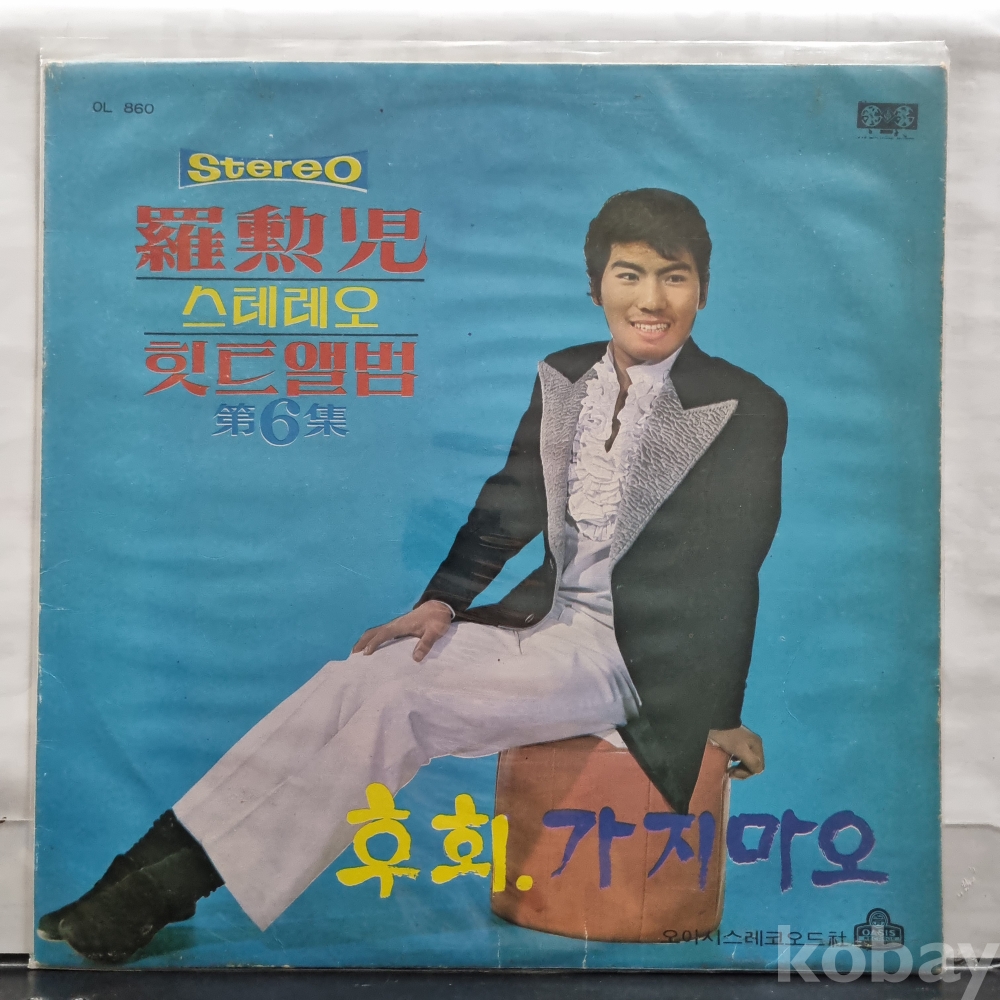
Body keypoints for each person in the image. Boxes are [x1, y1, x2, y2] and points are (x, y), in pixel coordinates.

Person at [39, 188, 787, 964]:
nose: (652, 300)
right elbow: (508, 505)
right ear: (596, 284)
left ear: (702, 290)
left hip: (630, 660)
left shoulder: (748, 406)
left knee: (403, 705)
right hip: (545, 622)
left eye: (674, 276)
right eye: (629, 274)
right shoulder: (566, 377)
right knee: (358, 675)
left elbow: (734, 570)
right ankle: (128, 881)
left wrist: (719, 711)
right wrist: (440, 603)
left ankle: (156, 896)